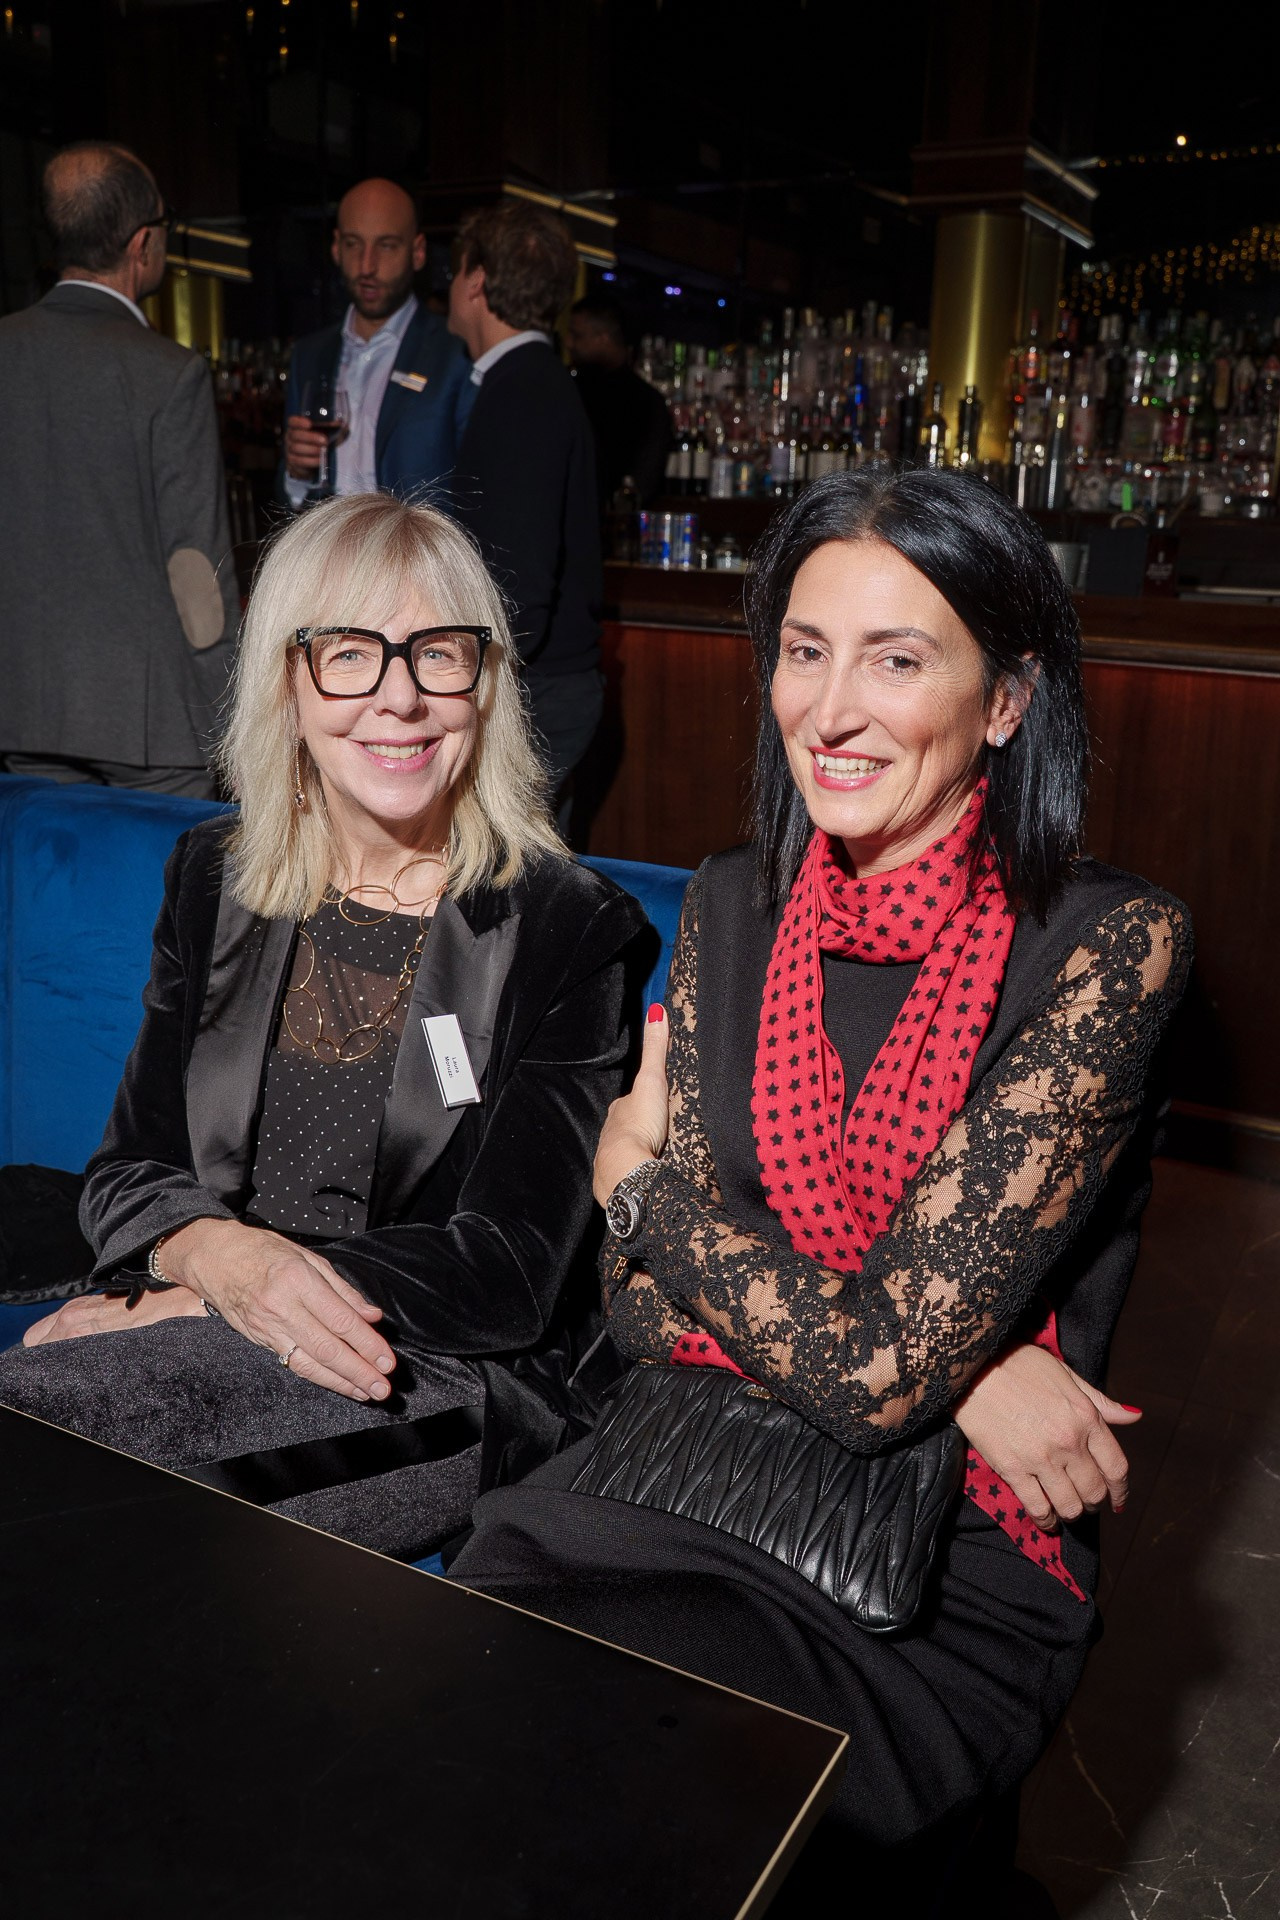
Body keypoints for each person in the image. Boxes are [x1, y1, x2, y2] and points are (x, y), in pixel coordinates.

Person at [450, 466, 1193, 1898]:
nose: (829, 709)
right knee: (463, 1739)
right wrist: (963, 1360)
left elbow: (836, 1360)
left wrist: (652, 1194)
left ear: (1007, 700)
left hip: (933, 1561)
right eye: (804, 649)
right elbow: (633, 1309)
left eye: (896, 659)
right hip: (672, 1478)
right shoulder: (730, 901)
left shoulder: (1109, 948)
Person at [0, 493, 646, 1559]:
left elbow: (511, 1267)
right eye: (349, 653)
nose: (399, 699)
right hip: (205, 1320)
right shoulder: (216, 877)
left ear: (483, 687)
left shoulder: (560, 927)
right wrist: (212, 1260)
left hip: (417, 1367)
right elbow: (127, 1170)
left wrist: (213, 1299)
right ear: (287, 684)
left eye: (439, 654)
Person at [0, 141, 238, 797]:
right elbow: (196, 576)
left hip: (21, 705)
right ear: (143, 244)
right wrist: (234, 720)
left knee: (55, 892)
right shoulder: (170, 374)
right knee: (156, 898)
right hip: (149, 722)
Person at [447, 200, 603, 822]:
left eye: (456, 273)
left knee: (507, 893)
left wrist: (457, 681)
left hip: (530, 692)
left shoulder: (522, 393)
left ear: (477, 281)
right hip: (547, 686)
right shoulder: (535, 381)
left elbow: (517, 588)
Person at [281, 178, 473, 510]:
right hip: (328, 556)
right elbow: (292, 499)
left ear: (418, 252)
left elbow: (475, 493)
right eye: (355, 244)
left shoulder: (455, 352)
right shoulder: (308, 355)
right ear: (336, 247)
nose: (367, 266)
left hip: (415, 558)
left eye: (386, 245)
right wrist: (297, 473)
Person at [567, 294, 671, 508]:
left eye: (577, 336)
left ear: (604, 338)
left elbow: (644, 480)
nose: (569, 343)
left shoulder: (645, 402)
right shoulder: (571, 389)